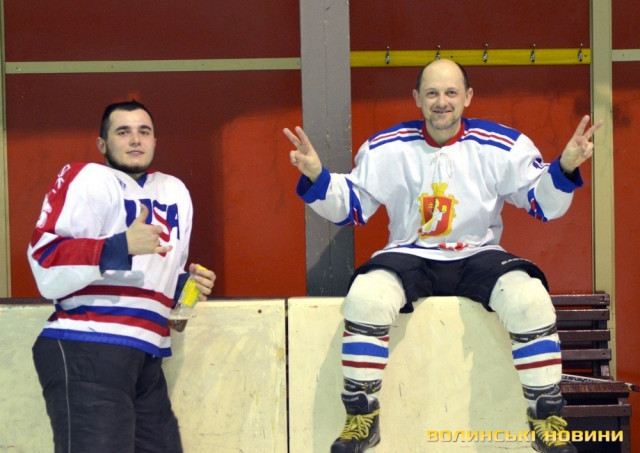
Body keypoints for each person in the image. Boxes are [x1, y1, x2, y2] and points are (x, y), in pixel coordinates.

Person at [284, 59, 603, 453]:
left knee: (530, 300)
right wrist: (317, 176)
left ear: (467, 97)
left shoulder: (501, 144)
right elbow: (350, 205)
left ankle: (545, 420)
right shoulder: (387, 146)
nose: (442, 102)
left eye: (451, 92)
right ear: (417, 98)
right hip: (409, 252)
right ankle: (361, 419)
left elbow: (543, 203)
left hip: (478, 252)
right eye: (432, 93)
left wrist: (565, 167)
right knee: (365, 297)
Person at [27, 100, 216, 452]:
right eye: (123, 131)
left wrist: (186, 288)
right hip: (88, 345)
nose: (135, 139)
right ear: (102, 143)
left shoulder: (175, 191)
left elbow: (161, 286)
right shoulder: (87, 178)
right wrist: (121, 244)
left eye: (144, 131)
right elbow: (46, 262)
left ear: (155, 140)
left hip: (147, 356)